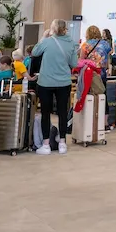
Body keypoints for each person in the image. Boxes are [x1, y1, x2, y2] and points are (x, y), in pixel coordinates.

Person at [32, 20, 78, 155]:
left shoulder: (47, 42)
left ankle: (46, 144)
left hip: (45, 82)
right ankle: (62, 143)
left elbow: (34, 52)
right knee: (62, 112)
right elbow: (74, 63)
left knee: (45, 113)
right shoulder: (71, 43)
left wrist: (43, 38)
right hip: (64, 82)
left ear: (52, 29)